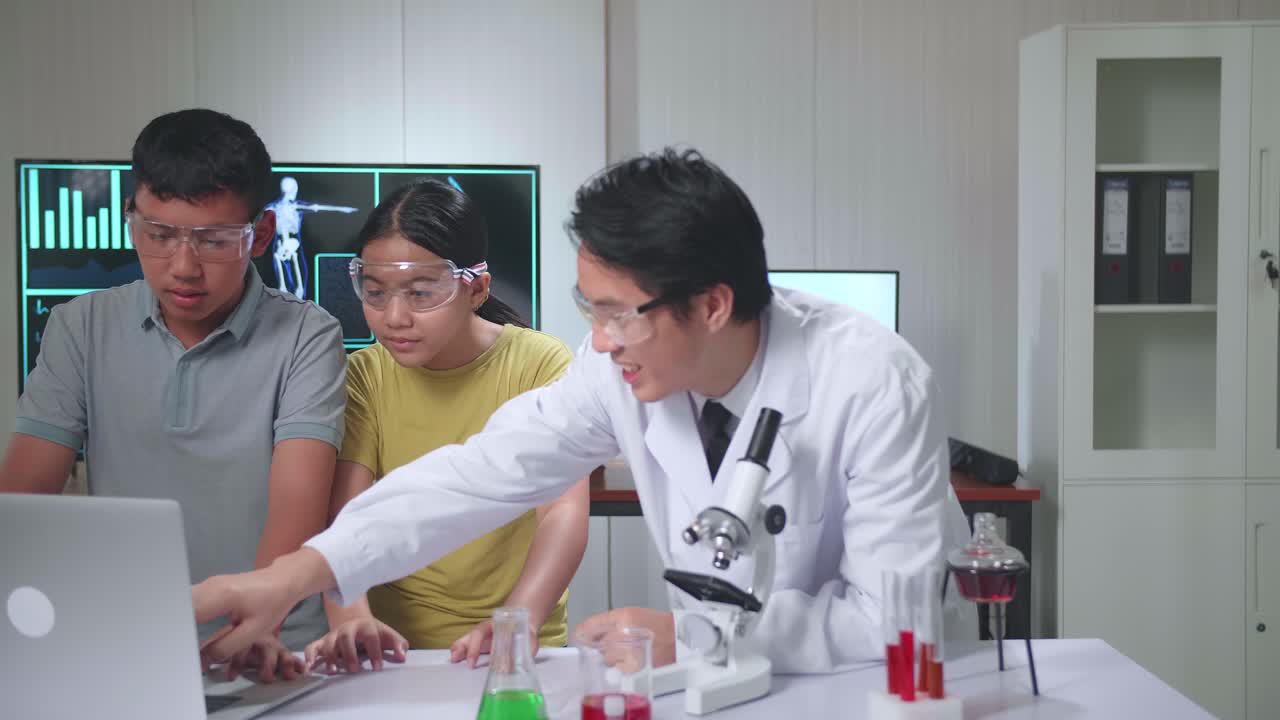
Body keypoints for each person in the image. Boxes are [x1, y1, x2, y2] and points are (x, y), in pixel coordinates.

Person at [194, 148, 975, 674]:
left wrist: (694, 636)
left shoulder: (872, 381)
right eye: (587, 308)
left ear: (711, 304)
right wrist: (296, 576)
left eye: (618, 314)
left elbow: (898, 626)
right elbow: (477, 476)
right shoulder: (618, 367)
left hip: (871, 697)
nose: (598, 340)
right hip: (723, 690)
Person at [0, 109, 346, 679]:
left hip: (273, 645)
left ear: (259, 235)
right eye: (158, 235)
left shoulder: (308, 335)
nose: (182, 267)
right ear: (130, 217)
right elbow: (20, 503)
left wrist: (257, 630)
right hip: (126, 641)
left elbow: (296, 505)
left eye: (213, 241)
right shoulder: (79, 327)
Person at [300, 179, 589, 673]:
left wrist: (519, 621)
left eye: (420, 293)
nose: (394, 318)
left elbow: (562, 514)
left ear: (475, 288)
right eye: (375, 293)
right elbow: (345, 517)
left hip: (515, 641)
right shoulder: (364, 377)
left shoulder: (539, 363)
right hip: (392, 650)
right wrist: (351, 619)